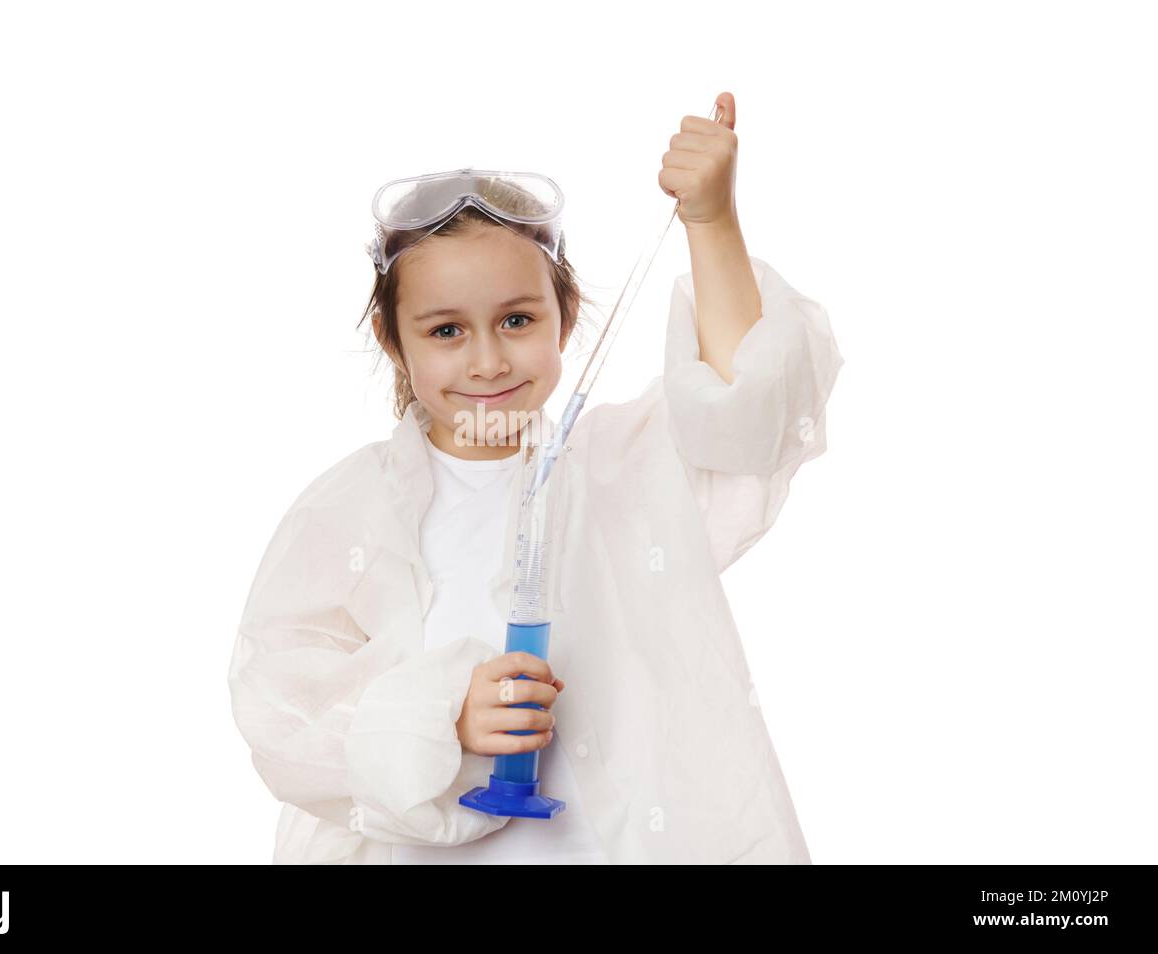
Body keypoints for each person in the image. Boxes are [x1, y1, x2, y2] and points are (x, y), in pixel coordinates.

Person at [227, 91, 844, 864]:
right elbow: (281, 711)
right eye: (446, 330)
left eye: (517, 319)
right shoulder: (350, 511)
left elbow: (747, 414)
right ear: (392, 339)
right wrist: (439, 718)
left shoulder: (628, 465)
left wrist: (712, 223)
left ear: (564, 311)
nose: (487, 360)